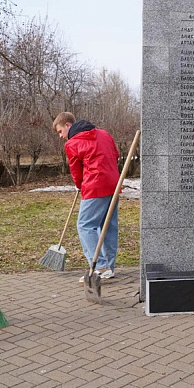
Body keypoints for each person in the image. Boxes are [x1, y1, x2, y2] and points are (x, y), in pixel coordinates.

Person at [53, 112, 120, 284]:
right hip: (114, 184)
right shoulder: (104, 134)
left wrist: (78, 184)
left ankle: (100, 266)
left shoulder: (72, 143)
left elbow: (76, 170)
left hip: (95, 187)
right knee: (108, 227)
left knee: (85, 225)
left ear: (68, 125)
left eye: (60, 131)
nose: (60, 136)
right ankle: (108, 268)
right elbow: (116, 155)